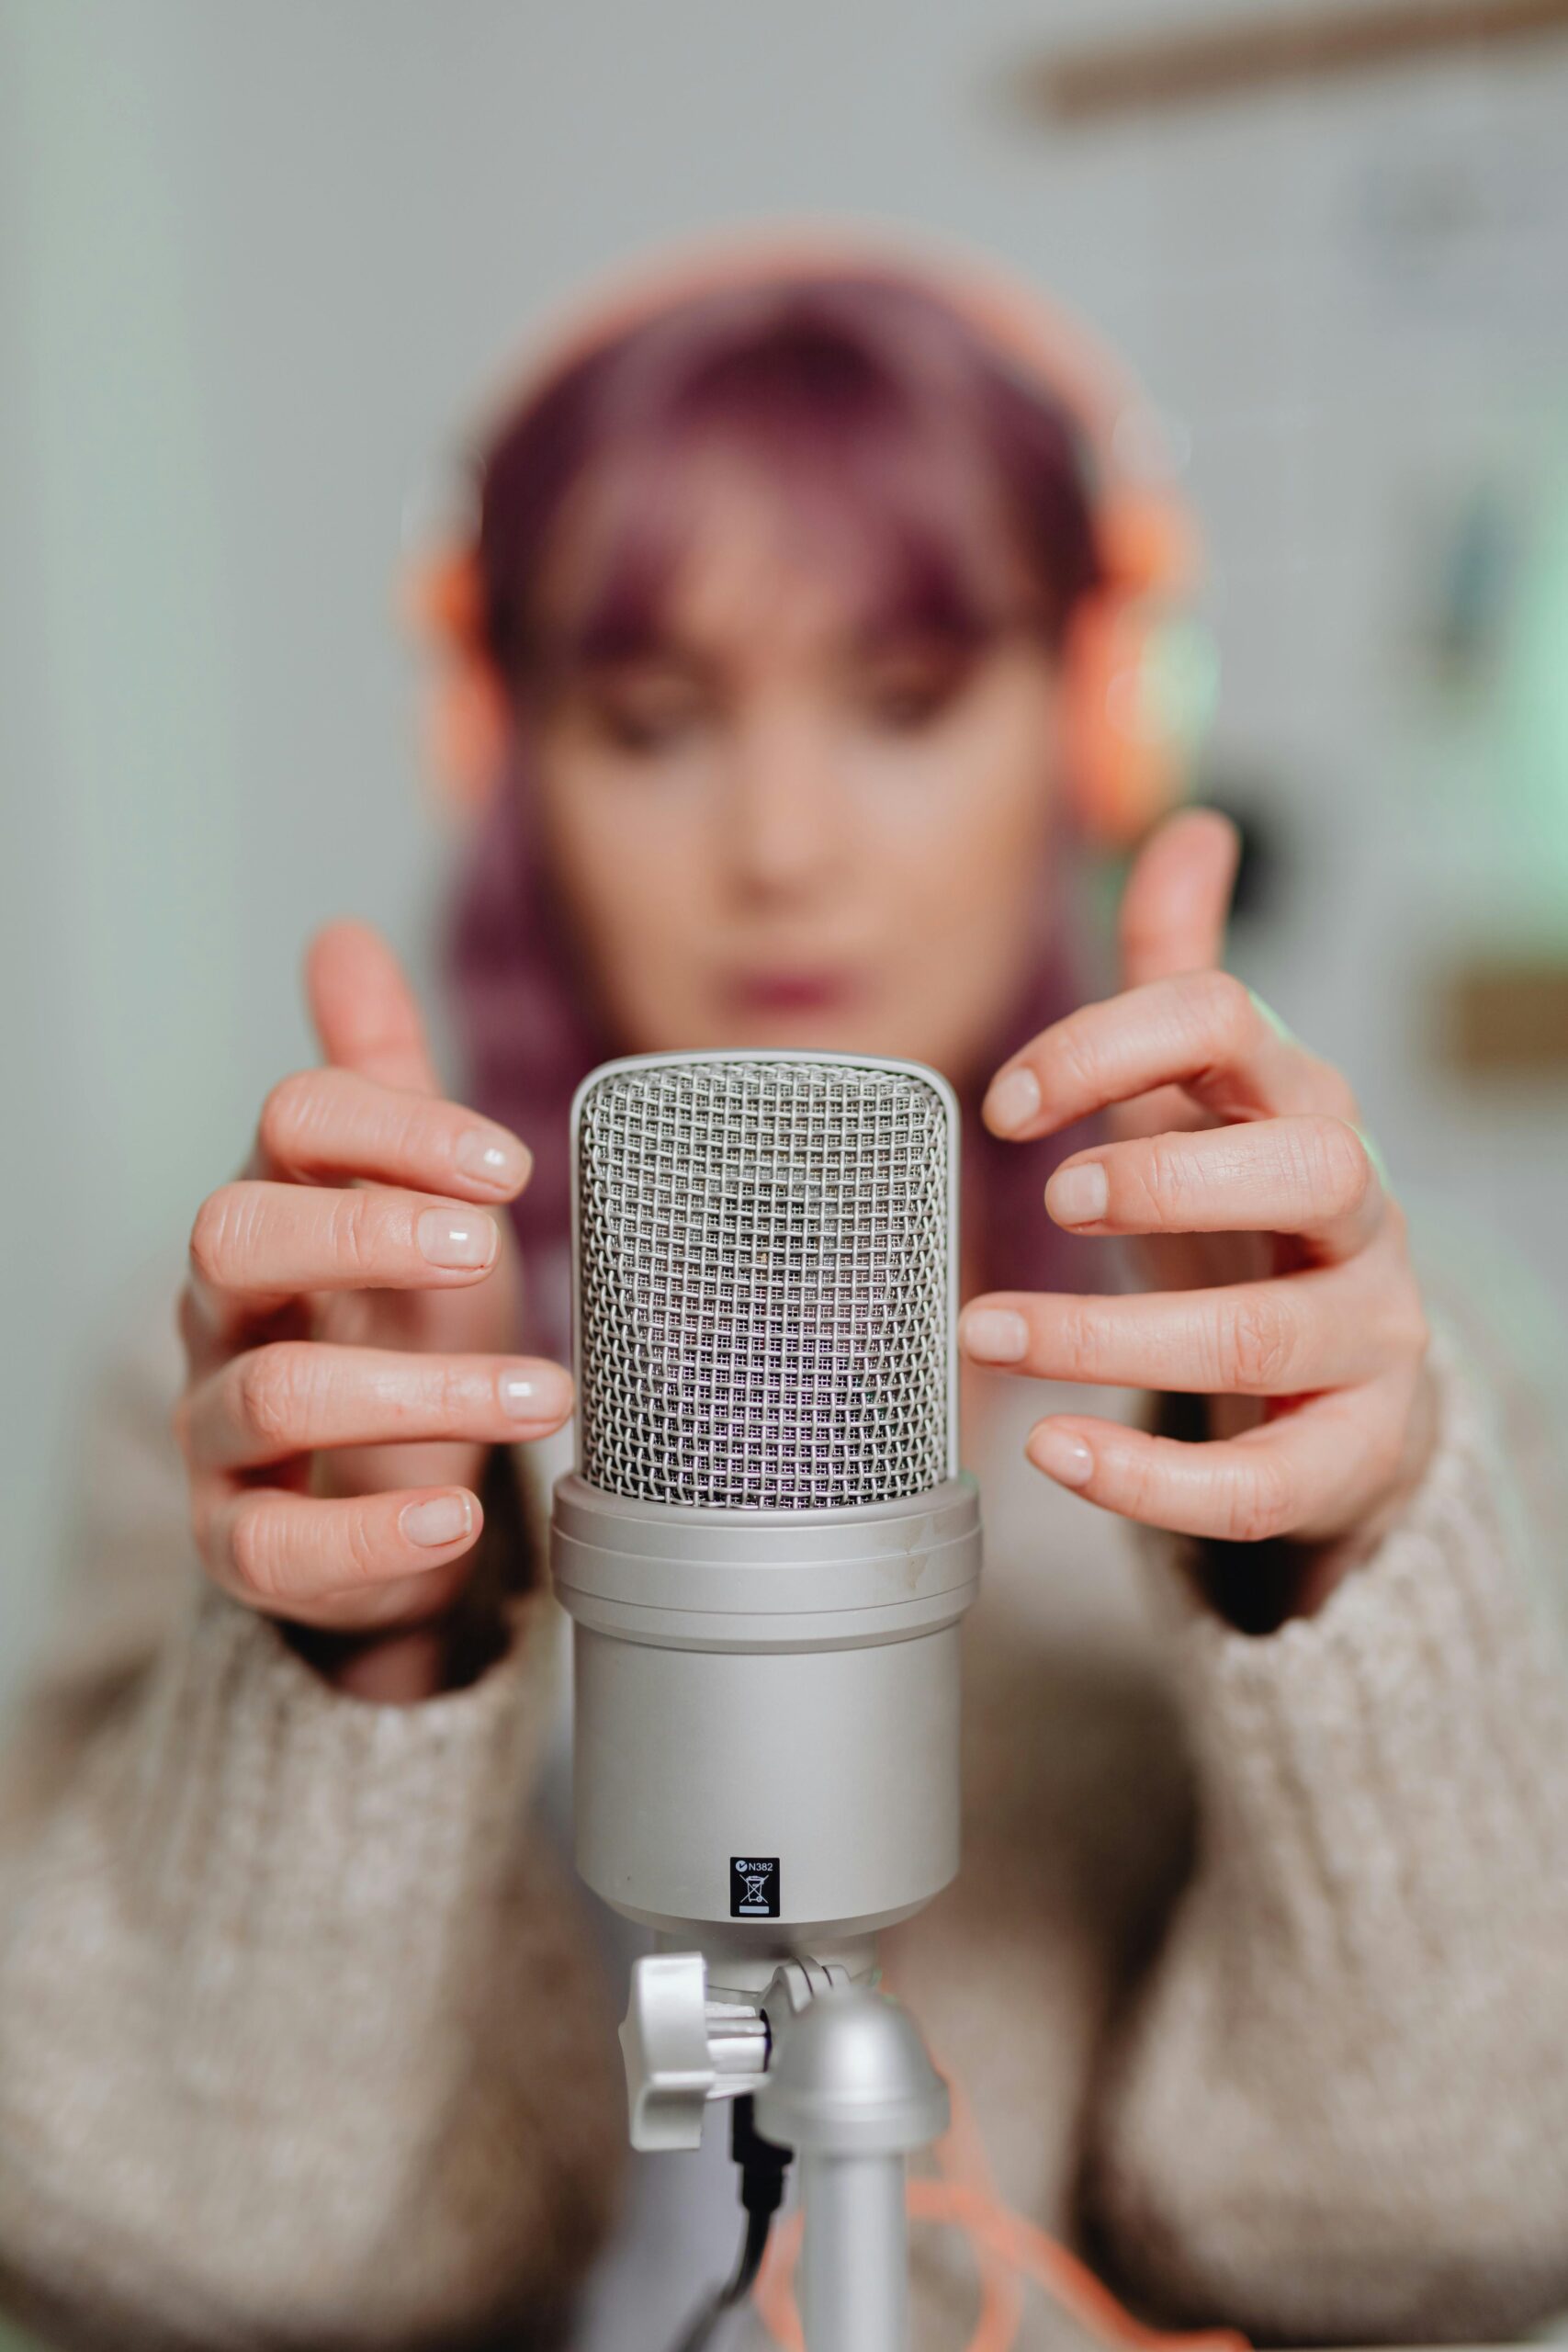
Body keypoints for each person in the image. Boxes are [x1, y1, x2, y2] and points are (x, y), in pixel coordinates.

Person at [4, 231, 1567, 2352]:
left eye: (906, 705)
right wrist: (364, 1652)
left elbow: (1459, 2220)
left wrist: (1332, 1565)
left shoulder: (1358, 1357)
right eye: (652, 722)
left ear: (1097, 713)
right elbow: (174, 2238)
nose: (781, 841)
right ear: (506, 748)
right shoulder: (288, 1361)